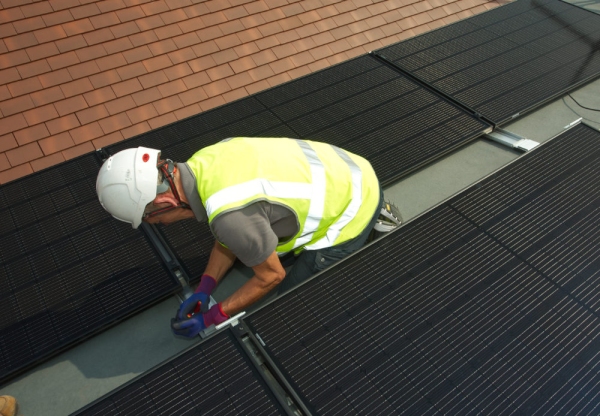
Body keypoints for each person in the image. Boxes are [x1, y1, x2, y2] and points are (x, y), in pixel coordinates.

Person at [96, 137, 398, 338]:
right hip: (349, 166)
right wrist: (205, 288)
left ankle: (374, 219)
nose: (159, 224)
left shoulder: (229, 218)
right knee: (256, 241)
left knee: (290, 297)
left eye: (153, 220)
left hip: (353, 205)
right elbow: (230, 232)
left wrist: (211, 317)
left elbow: (270, 276)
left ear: (164, 202)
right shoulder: (206, 159)